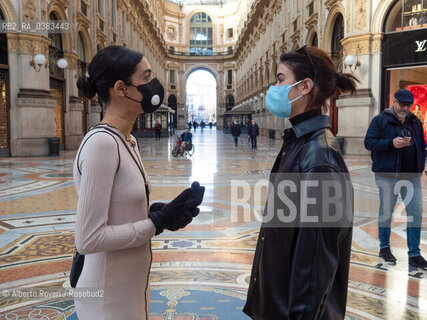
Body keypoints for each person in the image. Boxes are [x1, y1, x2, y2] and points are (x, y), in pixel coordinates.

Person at [74, 45, 205, 320]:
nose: (153, 85)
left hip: (130, 288)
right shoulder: (102, 143)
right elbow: (88, 239)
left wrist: (158, 214)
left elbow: (117, 212)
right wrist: (154, 224)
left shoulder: (127, 140)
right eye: (146, 78)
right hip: (106, 296)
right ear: (121, 89)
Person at [243, 45, 357, 319]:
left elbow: (316, 261)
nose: (275, 87)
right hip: (278, 304)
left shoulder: (319, 157)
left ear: (305, 86)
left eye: (281, 79)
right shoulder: (298, 143)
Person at [364, 88, 427, 272]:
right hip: (387, 175)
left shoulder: (414, 121)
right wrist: (391, 143)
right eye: (401, 104)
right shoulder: (380, 120)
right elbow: (369, 142)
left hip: (412, 175)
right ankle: (384, 248)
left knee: (415, 211)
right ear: (394, 102)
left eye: (408, 105)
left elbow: (422, 145)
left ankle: (414, 254)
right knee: (386, 212)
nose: (404, 108)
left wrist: (421, 163)